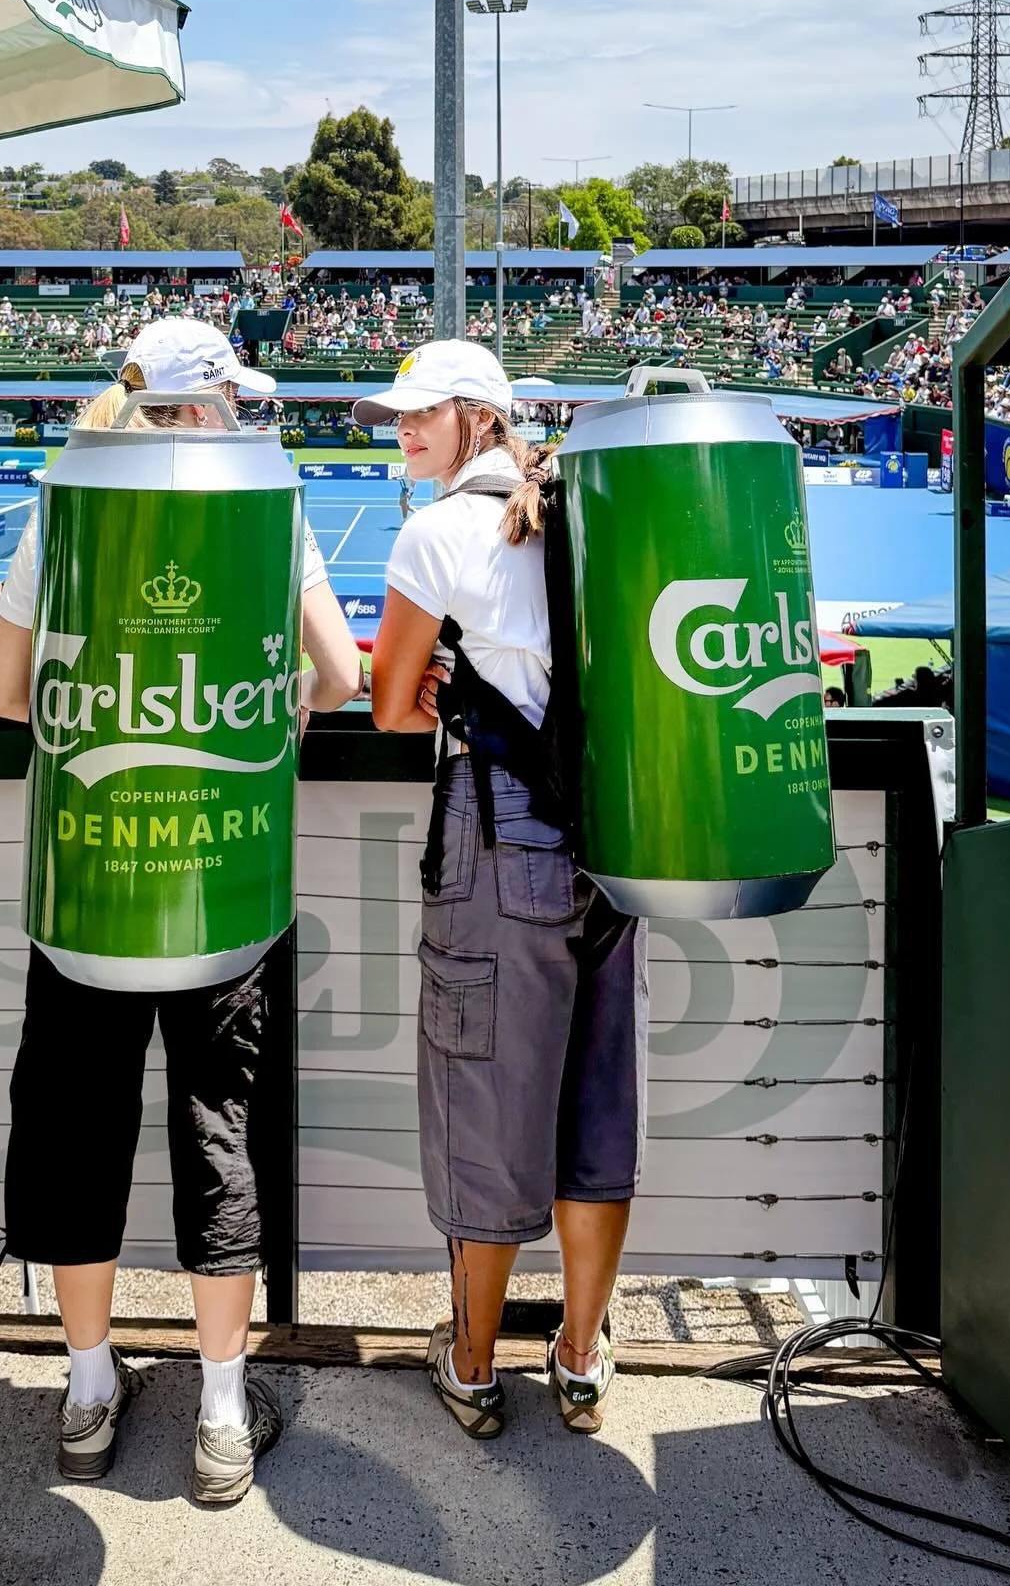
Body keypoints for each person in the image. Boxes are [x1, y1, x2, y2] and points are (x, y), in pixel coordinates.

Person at [0, 316, 361, 1503]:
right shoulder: (267, 506)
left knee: (75, 1136)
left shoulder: (66, 503)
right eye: (232, 400)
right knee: (220, 1138)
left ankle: (91, 1392)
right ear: (200, 411)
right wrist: (270, 715)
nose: (245, 415)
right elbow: (344, 676)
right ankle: (217, 1415)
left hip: (89, 890)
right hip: (221, 887)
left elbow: (6, 698)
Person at [365, 340, 648, 1443]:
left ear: (479, 421)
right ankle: (579, 1356)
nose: (402, 436)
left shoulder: (437, 532)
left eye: (419, 417)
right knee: (594, 1105)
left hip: (500, 846)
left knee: (485, 1101)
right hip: (612, 841)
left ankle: (476, 1364)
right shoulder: (584, 519)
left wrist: (444, 687)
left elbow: (389, 706)